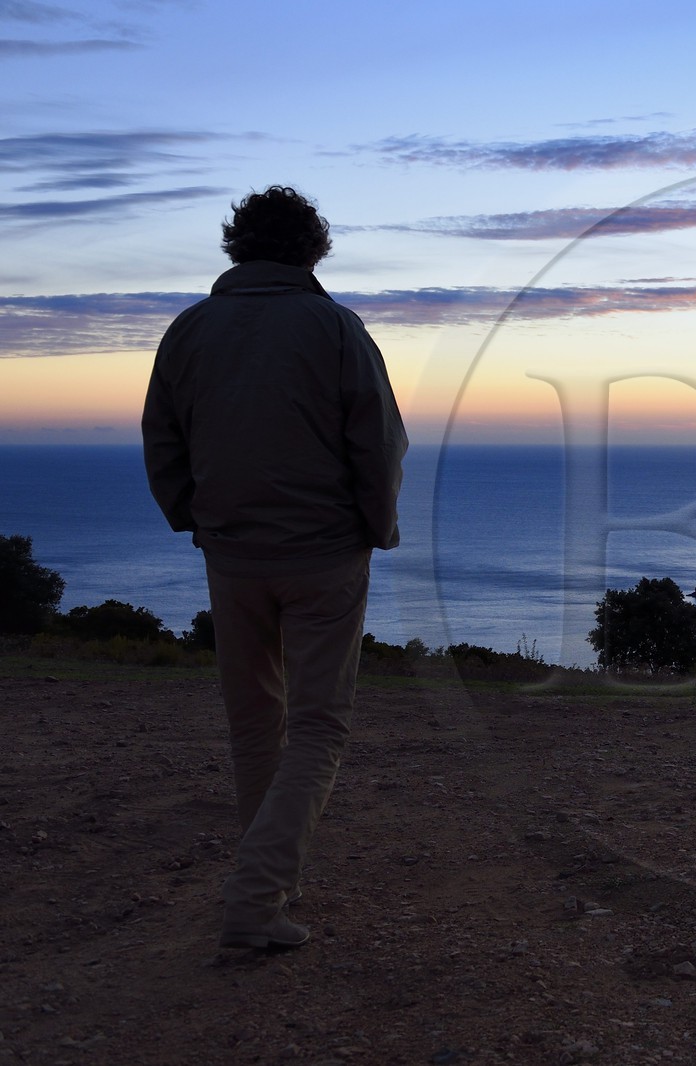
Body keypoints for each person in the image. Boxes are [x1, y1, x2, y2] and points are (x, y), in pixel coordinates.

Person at [141, 186, 407, 950]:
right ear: (312, 250)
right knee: (319, 724)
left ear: (236, 247)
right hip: (323, 553)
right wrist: (376, 528)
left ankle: (270, 882)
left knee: (254, 720)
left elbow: (162, 439)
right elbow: (379, 444)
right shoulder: (334, 327)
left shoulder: (189, 329)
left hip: (232, 554)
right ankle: (256, 899)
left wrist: (195, 517)